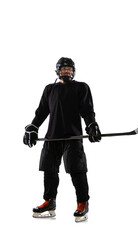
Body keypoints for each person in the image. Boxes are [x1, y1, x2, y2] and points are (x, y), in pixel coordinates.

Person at [23, 57, 101, 222]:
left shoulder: (81, 87)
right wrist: (33, 127)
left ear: (73, 71)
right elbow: (42, 111)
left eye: (69, 69)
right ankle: (49, 202)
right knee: (49, 170)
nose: (67, 71)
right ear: (57, 71)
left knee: (77, 170)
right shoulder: (50, 89)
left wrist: (92, 125)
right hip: (52, 138)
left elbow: (87, 110)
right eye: (64, 69)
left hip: (73, 136)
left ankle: (82, 203)